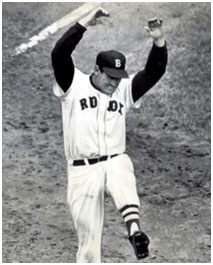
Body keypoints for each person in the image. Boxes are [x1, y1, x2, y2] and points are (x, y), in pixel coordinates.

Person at [51, 7, 168, 263]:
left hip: (114, 161)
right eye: (110, 76)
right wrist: (83, 24)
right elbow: (59, 53)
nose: (114, 83)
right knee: (89, 248)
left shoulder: (124, 90)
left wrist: (158, 41)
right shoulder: (73, 84)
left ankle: (135, 230)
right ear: (96, 70)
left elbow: (153, 73)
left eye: (118, 77)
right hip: (82, 172)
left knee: (119, 165)